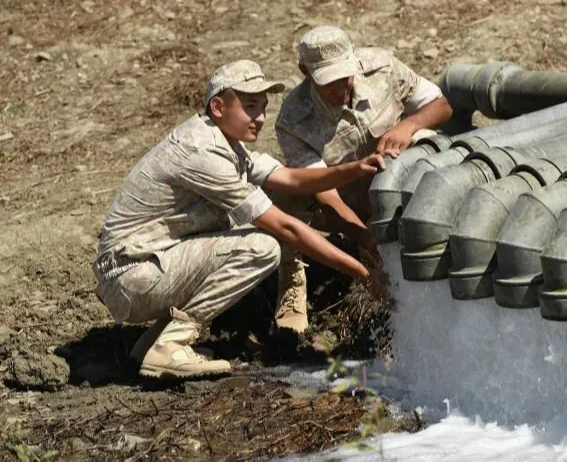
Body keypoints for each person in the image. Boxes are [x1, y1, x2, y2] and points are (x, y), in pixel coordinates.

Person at [92, 59, 387, 380]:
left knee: (242, 232)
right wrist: (362, 272)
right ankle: (172, 344)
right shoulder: (202, 154)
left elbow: (290, 179)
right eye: (249, 107)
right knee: (260, 246)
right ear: (218, 107)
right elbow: (286, 227)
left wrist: (357, 168)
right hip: (132, 277)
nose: (259, 118)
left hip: (142, 269)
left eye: (262, 107)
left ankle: (150, 346)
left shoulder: (224, 143)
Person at [273, 25, 453, 332]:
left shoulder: (381, 67)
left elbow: (442, 107)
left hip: (407, 190)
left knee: (426, 138)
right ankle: (292, 280)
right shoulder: (294, 119)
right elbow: (325, 194)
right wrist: (366, 238)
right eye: (329, 81)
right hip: (351, 206)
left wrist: (407, 126)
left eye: (346, 74)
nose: (342, 86)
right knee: (283, 191)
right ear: (305, 72)